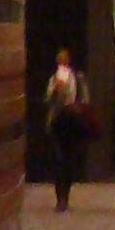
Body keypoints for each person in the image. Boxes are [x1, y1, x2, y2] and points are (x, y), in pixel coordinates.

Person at [43, 48, 94, 211]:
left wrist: (78, 107)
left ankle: (66, 192)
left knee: (70, 160)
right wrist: (56, 91)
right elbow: (47, 100)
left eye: (63, 59)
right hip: (58, 122)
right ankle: (61, 198)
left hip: (73, 122)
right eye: (59, 59)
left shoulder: (78, 78)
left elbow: (85, 99)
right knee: (59, 159)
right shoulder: (54, 79)